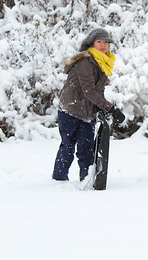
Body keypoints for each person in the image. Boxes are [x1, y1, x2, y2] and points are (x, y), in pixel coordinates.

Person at [52, 28, 125, 181]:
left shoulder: (103, 62)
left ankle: (87, 180)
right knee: (67, 147)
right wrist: (110, 108)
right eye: (99, 42)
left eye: (106, 42)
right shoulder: (85, 61)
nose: (103, 45)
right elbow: (89, 91)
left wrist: (100, 107)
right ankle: (58, 180)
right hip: (70, 110)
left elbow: (99, 90)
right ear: (92, 43)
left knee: (86, 150)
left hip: (86, 112)